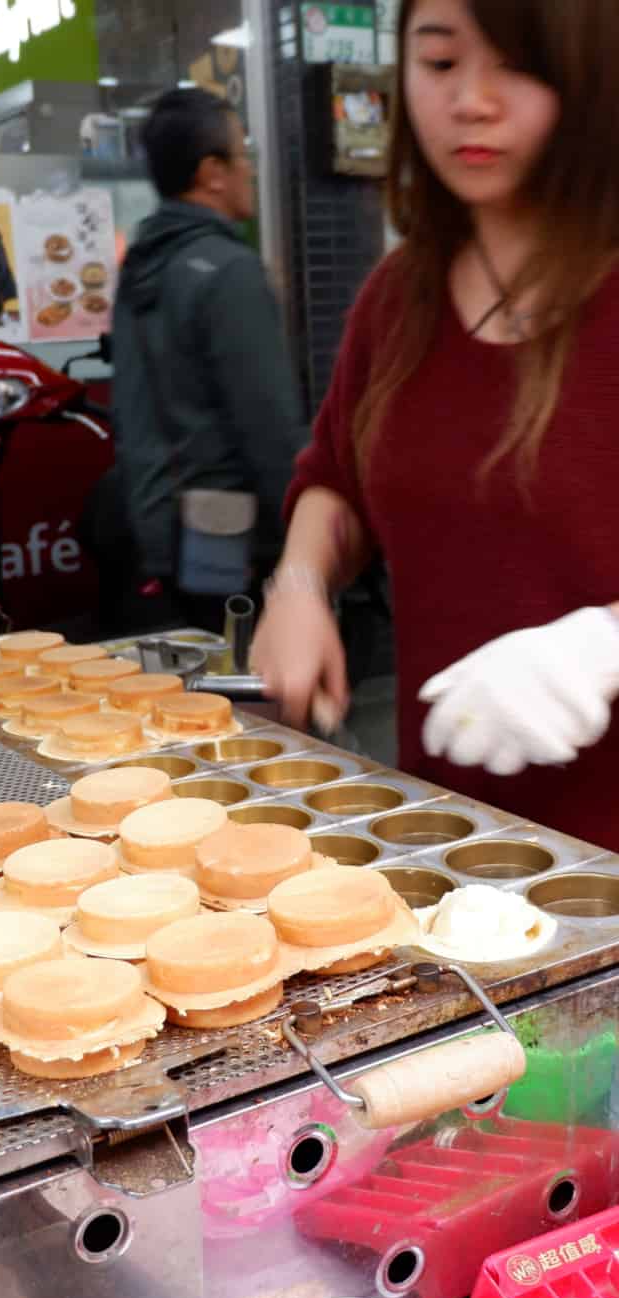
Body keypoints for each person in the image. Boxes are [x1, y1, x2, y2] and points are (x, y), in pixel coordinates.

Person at [252, 0, 619, 850]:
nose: (471, 102)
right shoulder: (399, 295)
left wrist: (604, 644)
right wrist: (301, 584)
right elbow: (337, 477)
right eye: (441, 62)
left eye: (516, 65)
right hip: (451, 838)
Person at [111, 87, 305, 633]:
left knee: (200, 686)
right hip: (233, 535)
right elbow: (266, 425)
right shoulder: (228, 270)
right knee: (253, 695)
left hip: (159, 528)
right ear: (212, 173)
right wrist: (305, 537)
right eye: (244, 157)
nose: (251, 171)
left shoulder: (143, 264)